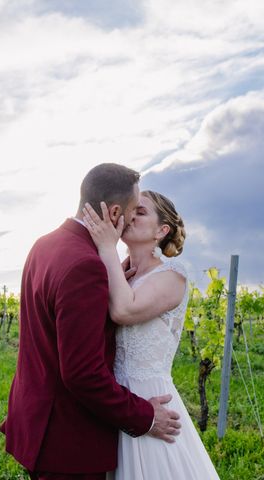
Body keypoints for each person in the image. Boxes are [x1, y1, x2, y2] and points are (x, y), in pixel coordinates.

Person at [0, 164, 182, 479]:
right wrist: (145, 417)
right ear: (114, 212)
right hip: (67, 439)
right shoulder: (87, 265)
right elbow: (82, 374)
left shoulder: (44, 244)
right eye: (130, 212)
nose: (130, 221)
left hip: (36, 422)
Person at [81, 190, 220, 480]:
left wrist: (106, 248)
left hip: (149, 398)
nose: (130, 216)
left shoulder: (173, 275)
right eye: (132, 209)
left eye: (141, 212)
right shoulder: (125, 275)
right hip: (116, 400)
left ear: (162, 230)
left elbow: (123, 311)